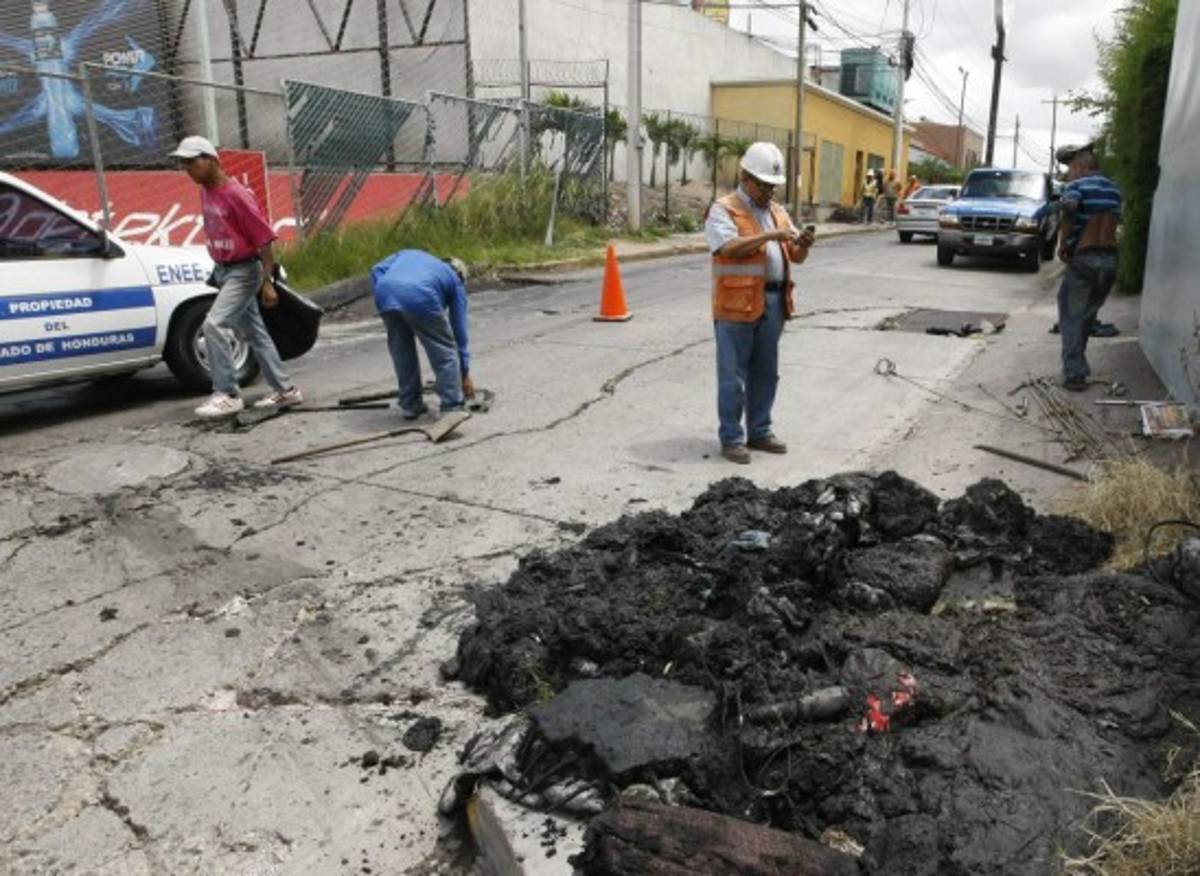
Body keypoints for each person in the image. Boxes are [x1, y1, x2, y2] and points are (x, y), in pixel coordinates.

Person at [172, 135, 303, 418]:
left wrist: (267, 282)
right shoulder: (206, 189)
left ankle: (228, 393)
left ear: (211, 160)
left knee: (214, 325)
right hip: (224, 271)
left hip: (244, 271)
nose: (187, 169)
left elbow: (264, 240)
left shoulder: (236, 195)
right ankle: (286, 391)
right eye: (184, 164)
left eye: (191, 162)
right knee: (255, 333)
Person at [704, 142, 815, 465]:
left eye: (773, 186)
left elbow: (796, 255)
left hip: (773, 301)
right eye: (765, 185)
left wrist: (803, 244)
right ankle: (732, 438)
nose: (770, 192)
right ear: (746, 177)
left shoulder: (778, 212)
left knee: (766, 372)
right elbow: (727, 247)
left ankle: (760, 431)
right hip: (736, 303)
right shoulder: (724, 209)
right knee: (732, 375)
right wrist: (769, 237)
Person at [370, 249, 473, 418]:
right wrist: (465, 373)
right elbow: (459, 333)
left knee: (401, 350)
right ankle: (452, 405)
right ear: (460, 275)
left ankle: (410, 404)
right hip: (421, 294)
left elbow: (376, 270)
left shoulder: (412, 255)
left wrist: (389, 294)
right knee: (444, 349)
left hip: (385, 292)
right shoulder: (455, 281)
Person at [1054, 143, 1122, 392]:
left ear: (1081, 166)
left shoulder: (1077, 186)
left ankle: (1075, 373)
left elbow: (1070, 207)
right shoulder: (1114, 189)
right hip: (1110, 260)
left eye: (1070, 168)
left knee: (1070, 317)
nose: (1068, 174)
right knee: (1085, 317)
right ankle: (1078, 367)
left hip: (1085, 258)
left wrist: (1064, 243)